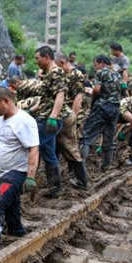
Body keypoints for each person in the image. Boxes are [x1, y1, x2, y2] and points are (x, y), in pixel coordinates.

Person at [0, 87, 39, 254]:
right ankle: (17, 232)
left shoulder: (24, 121)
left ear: (6, 101)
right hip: (2, 173)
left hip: (16, 173)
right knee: (11, 207)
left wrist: (31, 177)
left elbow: (34, 149)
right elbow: (0, 146)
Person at [27, 46, 67, 198]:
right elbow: (46, 99)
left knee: (31, 147)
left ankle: (28, 181)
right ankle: (55, 188)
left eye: (38, 58)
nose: (36, 61)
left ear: (47, 57)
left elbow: (60, 95)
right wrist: (32, 110)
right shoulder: (48, 74)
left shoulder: (56, 72)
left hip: (49, 120)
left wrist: (53, 116)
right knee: (49, 153)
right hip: (44, 116)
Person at [80, 55, 122, 170]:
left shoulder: (101, 72)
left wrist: (92, 101)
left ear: (101, 63)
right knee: (109, 137)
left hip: (102, 106)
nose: (95, 67)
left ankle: (80, 168)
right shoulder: (117, 74)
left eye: (96, 64)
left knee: (87, 136)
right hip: (115, 108)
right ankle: (106, 166)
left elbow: (97, 90)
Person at [54, 52, 88, 190]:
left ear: (62, 62)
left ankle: (81, 181)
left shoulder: (76, 75)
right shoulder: (62, 75)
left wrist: (73, 117)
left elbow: (78, 99)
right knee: (57, 147)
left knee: (71, 147)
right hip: (62, 115)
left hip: (71, 117)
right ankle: (58, 179)